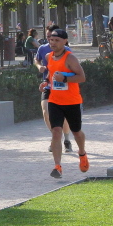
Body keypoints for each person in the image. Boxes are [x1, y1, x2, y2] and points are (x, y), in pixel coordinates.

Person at [39, 29, 90, 178]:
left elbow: (82, 77)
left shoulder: (70, 58)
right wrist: (46, 82)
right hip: (55, 100)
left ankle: (82, 153)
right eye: (51, 40)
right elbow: (51, 73)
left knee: (76, 132)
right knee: (56, 131)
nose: (53, 43)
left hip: (72, 101)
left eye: (57, 40)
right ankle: (57, 167)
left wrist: (65, 79)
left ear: (65, 41)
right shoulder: (48, 56)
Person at [35, 24, 72, 153]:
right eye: (48, 37)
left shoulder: (67, 51)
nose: (51, 40)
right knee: (46, 112)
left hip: (62, 87)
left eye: (53, 37)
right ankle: (55, 138)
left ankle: (67, 139)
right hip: (48, 85)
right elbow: (36, 60)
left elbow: (74, 70)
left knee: (63, 116)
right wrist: (39, 67)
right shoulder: (43, 49)